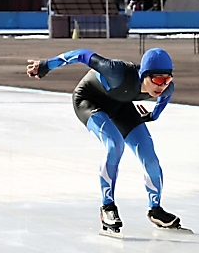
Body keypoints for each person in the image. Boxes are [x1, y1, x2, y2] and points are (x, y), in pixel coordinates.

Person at [26, 48, 181, 237]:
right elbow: (82, 55)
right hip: (89, 101)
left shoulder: (166, 89)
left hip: (120, 105)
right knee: (115, 145)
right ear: (144, 76)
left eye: (167, 80)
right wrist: (46, 65)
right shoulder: (117, 72)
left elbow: (164, 99)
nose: (162, 86)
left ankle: (155, 210)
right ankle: (107, 207)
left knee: (150, 157)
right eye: (157, 79)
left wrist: (152, 116)